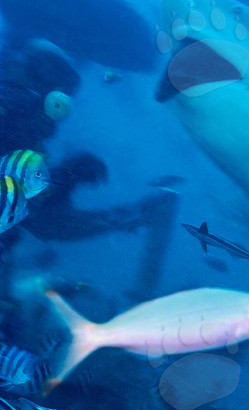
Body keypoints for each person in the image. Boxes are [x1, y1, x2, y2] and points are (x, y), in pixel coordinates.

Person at [0, 39, 179, 303]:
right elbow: (30, 212)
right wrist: (65, 178)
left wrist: (63, 179)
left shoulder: (20, 128)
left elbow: (32, 212)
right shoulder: (15, 116)